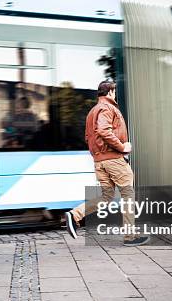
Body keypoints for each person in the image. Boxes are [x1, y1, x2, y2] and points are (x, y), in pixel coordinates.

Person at [64, 80, 150, 246]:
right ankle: (130, 236)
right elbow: (103, 131)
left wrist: (98, 157)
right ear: (110, 92)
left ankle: (75, 215)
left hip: (99, 162)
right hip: (113, 160)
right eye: (114, 91)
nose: (115, 94)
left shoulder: (92, 112)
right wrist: (122, 147)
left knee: (107, 196)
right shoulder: (107, 108)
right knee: (128, 194)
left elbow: (88, 138)